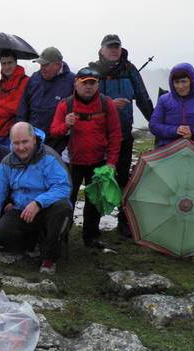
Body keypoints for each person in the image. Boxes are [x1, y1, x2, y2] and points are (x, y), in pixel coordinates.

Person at [0, 122, 72, 274]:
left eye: (25, 142)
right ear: (10, 143)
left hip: (49, 209)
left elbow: (63, 187)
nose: (21, 147)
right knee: (2, 231)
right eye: (16, 143)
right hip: (22, 210)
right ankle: (34, 241)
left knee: (63, 208)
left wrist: (39, 202)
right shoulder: (7, 163)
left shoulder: (50, 157)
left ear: (34, 139)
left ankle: (50, 257)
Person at [90, 34, 154, 238]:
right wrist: (108, 103)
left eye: (117, 47)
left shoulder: (130, 70)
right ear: (101, 50)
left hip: (124, 135)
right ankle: (93, 224)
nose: (114, 50)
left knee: (124, 178)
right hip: (99, 136)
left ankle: (124, 221)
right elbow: (84, 99)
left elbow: (142, 97)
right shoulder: (92, 71)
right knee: (98, 178)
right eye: (110, 47)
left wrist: (155, 122)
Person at [50, 67, 122, 249]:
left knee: (94, 201)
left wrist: (112, 162)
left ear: (98, 84)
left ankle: (90, 236)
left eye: (93, 83)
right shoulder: (65, 105)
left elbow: (115, 134)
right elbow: (54, 131)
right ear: (76, 83)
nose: (88, 87)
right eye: (85, 83)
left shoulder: (107, 104)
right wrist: (66, 125)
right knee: (67, 201)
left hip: (98, 161)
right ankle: (62, 234)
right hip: (71, 162)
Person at [16, 47, 75, 152]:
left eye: (45, 65)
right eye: (41, 65)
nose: (42, 68)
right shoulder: (34, 78)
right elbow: (23, 107)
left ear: (57, 64)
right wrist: (21, 131)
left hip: (59, 143)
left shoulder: (72, 81)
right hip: (33, 140)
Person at [149, 63, 194, 148]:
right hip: (167, 151)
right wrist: (175, 131)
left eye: (184, 81)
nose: (180, 86)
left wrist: (193, 133)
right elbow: (153, 125)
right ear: (172, 83)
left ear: (192, 81)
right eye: (176, 82)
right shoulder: (163, 100)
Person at [0, 50, 30, 145]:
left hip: (19, 134)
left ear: (16, 62)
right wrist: (9, 108)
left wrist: (0, 103)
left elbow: (18, 107)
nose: (6, 67)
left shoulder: (26, 81)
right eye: (3, 63)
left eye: (9, 63)